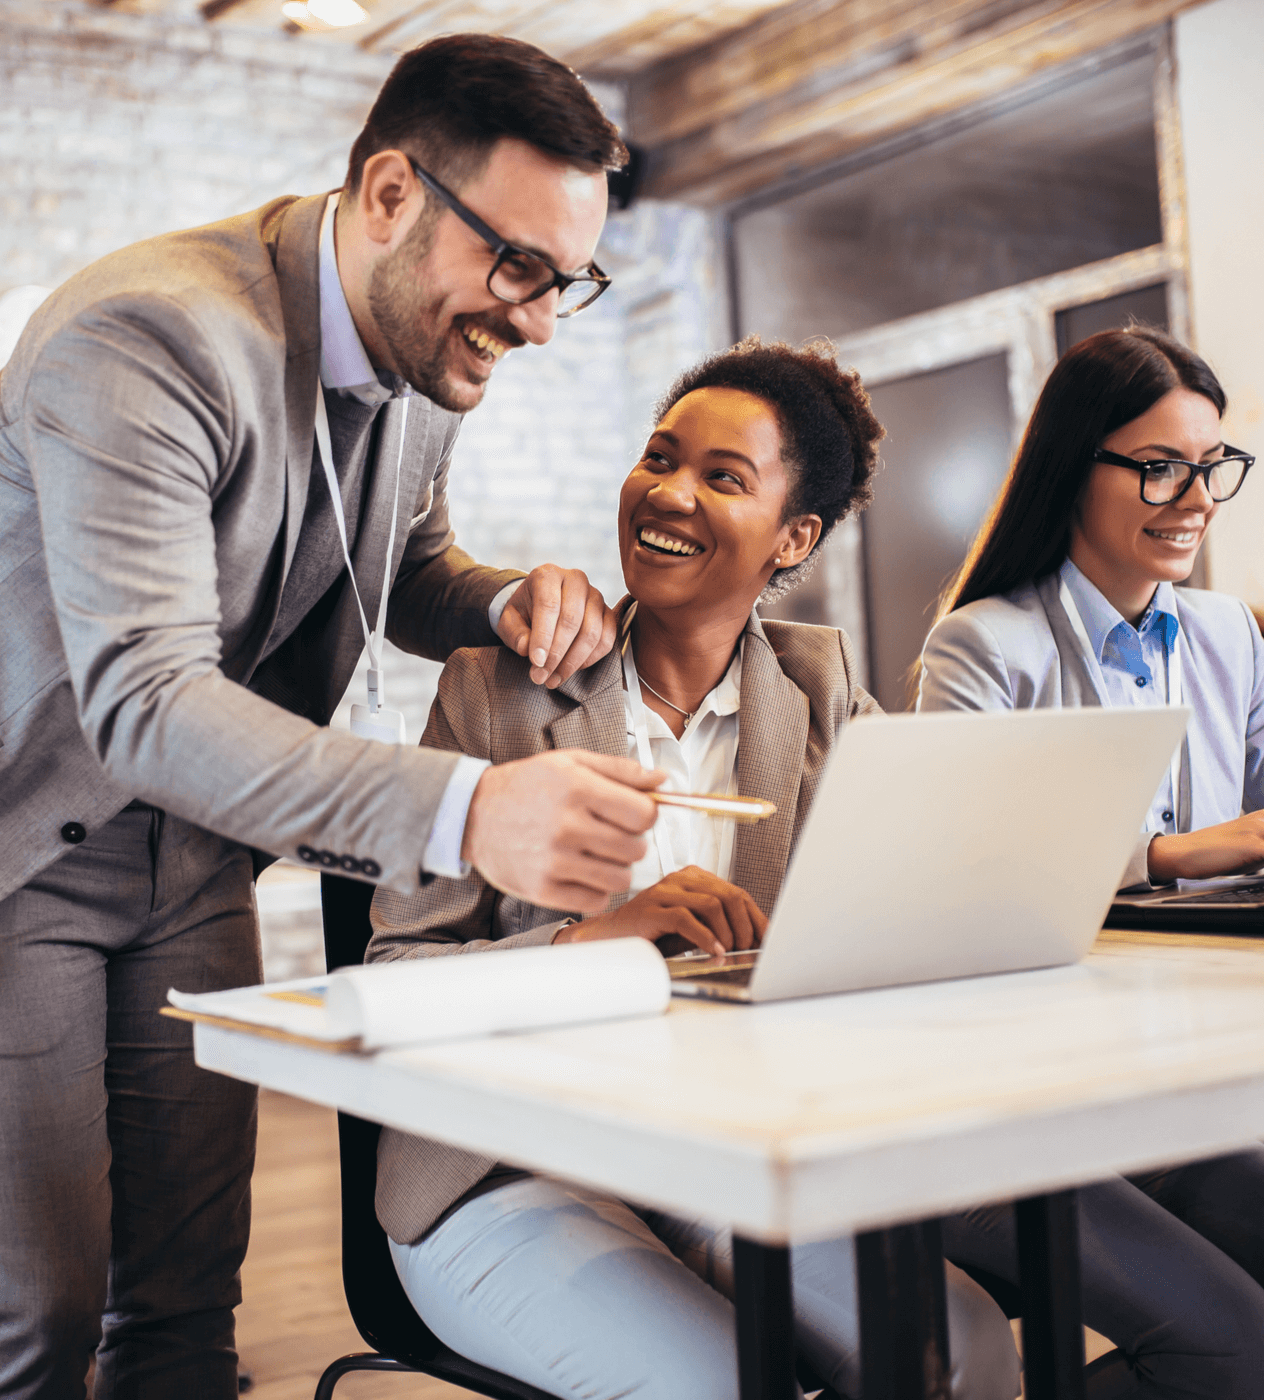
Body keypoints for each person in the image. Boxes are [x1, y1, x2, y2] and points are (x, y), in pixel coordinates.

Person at [0, 35, 667, 1397]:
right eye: (518, 267)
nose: (538, 320)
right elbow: (143, 699)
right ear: (387, 194)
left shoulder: (424, 351)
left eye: (567, 280)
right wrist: (470, 809)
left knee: (185, 1309)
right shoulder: (146, 335)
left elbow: (395, 568)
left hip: (192, 858)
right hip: (28, 858)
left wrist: (500, 604)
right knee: (43, 1317)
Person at [366, 337, 1022, 1400]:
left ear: (793, 535)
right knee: (720, 1384)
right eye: (659, 457)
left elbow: (916, 898)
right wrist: (594, 941)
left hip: (723, 1152)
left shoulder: (820, 691)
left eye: (723, 478)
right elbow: (396, 970)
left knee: (964, 1349)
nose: (667, 493)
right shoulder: (496, 691)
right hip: (514, 1161)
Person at [918, 325, 1264, 1397]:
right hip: (1006, 1107)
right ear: (1077, 465)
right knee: (1241, 1349)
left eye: (1213, 466)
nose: (1196, 495)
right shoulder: (982, 644)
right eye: (1161, 465)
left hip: (1169, 1081)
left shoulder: (1226, 634)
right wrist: (1175, 850)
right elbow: (958, 876)